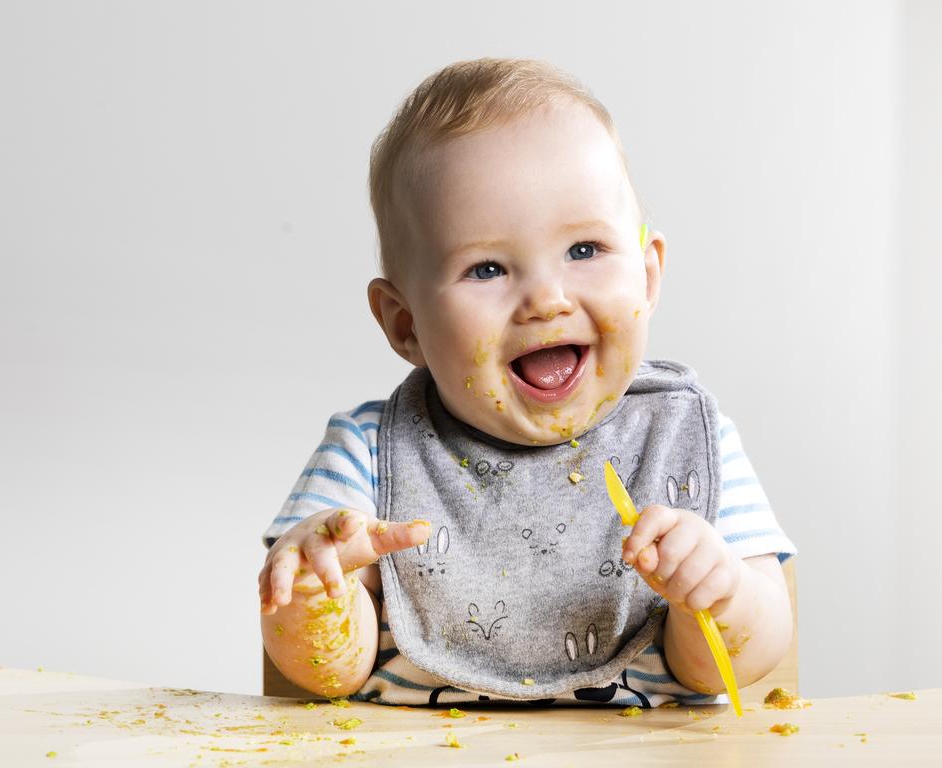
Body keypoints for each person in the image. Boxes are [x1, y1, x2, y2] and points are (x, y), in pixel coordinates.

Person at [258, 58, 796, 707]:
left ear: (647, 278)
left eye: (584, 250)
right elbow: (327, 673)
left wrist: (722, 592)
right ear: (405, 325)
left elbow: (736, 666)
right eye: (486, 268)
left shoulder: (685, 439)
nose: (546, 300)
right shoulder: (367, 456)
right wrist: (316, 598)